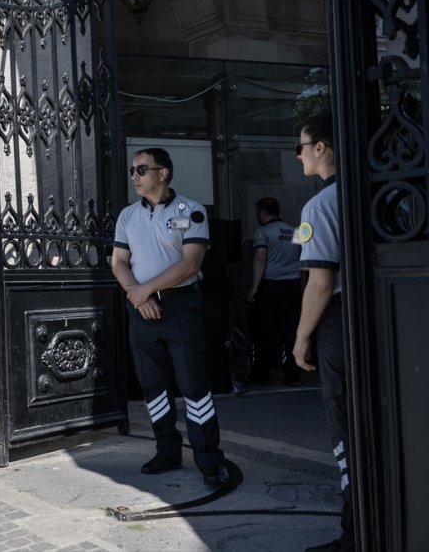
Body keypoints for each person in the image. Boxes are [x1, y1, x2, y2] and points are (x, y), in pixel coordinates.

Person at [111, 147, 228, 487]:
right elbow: (118, 261)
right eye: (133, 170)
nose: (135, 175)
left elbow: (191, 264)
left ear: (163, 173)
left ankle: (209, 460)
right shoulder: (127, 216)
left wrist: (143, 289)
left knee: (193, 386)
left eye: (142, 169)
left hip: (181, 308)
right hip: (141, 309)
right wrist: (138, 294)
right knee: (154, 387)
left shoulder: (190, 212)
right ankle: (167, 451)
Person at [291, 111, 352, 552]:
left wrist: (300, 337)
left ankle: (356, 529)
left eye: (302, 146)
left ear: (321, 148)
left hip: (338, 321)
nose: (298, 155)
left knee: (344, 423)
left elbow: (320, 282)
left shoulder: (319, 205)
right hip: (385, 314)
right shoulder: (379, 189)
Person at [246, 197, 303, 388]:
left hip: (270, 287)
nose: (257, 217)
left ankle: (261, 374)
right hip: (293, 286)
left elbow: (260, 258)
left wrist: (254, 287)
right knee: (290, 331)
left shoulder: (262, 232)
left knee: (264, 331)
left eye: (257, 213)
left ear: (262, 212)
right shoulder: (295, 232)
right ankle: (293, 374)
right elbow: (302, 259)